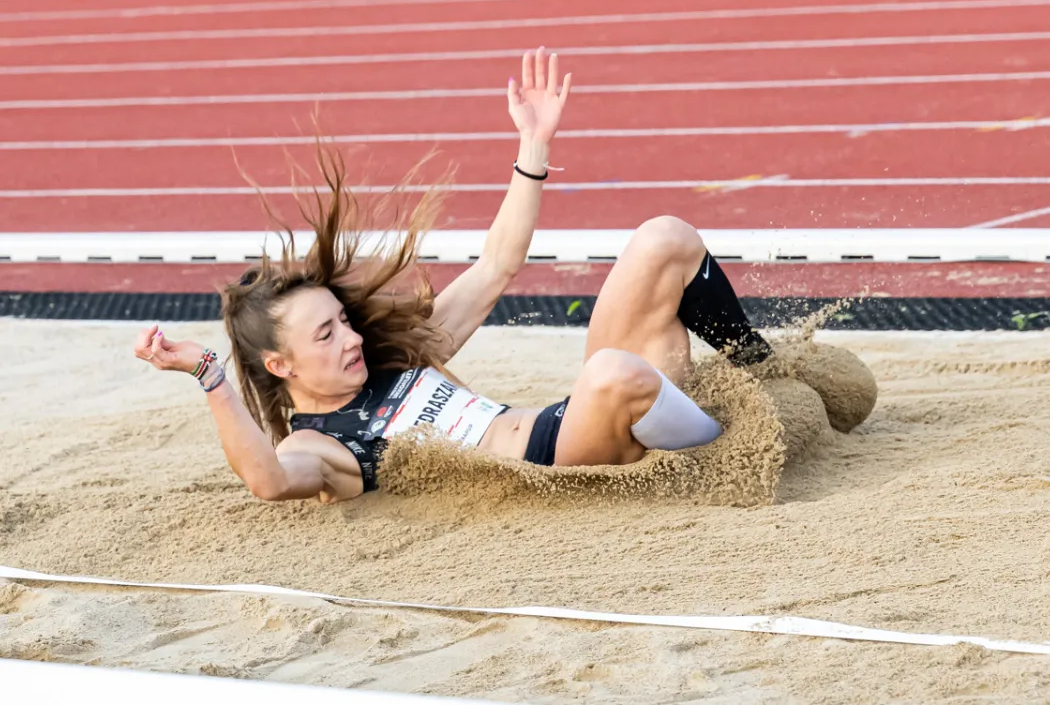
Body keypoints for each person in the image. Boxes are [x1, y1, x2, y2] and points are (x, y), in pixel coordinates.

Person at [133, 47, 773, 504]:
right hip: (556, 462)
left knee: (664, 239)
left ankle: (768, 379)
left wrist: (533, 147)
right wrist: (208, 375)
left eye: (343, 322)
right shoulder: (320, 448)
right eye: (325, 336)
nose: (351, 338)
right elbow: (268, 482)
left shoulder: (397, 358)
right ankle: (735, 448)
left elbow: (498, 263)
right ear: (282, 365)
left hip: (574, 419)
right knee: (614, 372)